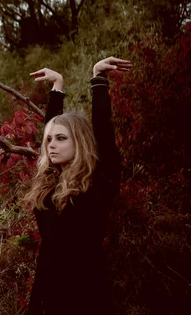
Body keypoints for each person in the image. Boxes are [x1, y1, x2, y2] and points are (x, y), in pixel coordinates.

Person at [24, 57, 132, 315]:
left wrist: (98, 79)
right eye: (49, 140)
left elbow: (104, 132)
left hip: (86, 292)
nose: (52, 144)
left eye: (61, 139)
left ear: (80, 142)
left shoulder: (98, 182)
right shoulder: (48, 185)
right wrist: (57, 86)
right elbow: (50, 130)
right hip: (46, 290)